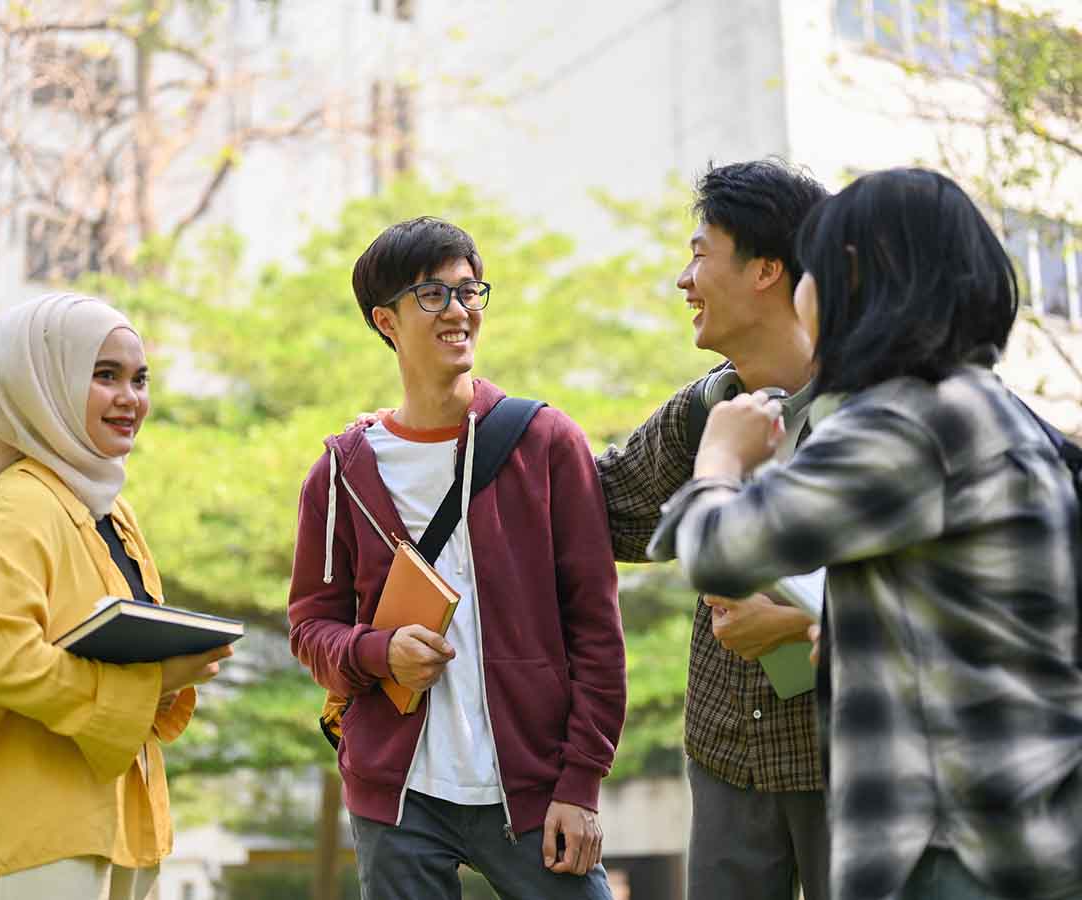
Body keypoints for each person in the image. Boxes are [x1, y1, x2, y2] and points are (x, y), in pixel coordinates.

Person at [663, 168, 1082, 900]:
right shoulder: (990, 412)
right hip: (1022, 829)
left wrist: (722, 455)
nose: (802, 292)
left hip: (954, 845)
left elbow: (716, 547)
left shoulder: (906, 419)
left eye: (814, 272)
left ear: (858, 280)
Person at [288, 217, 625, 900]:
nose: (460, 311)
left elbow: (595, 624)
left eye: (470, 292)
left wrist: (582, 781)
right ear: (386, 320)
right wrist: (381, 652)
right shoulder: (341, 472)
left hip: (533, 790)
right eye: (433, 295)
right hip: (397, 796)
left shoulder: (546, 442)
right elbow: (309, 629)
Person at [0, 293, 232, 899]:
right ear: (41, 382)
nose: (129, 399)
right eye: (103, 375)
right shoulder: (18, 504)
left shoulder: (109, 508)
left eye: (139, 379)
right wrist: (153, 681)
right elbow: (0, 657)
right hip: (36, 839)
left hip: (117, 826)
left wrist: (175, 665)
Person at [595, 159, 831, 900]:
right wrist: (451, 418)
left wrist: (798, 622)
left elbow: (945, 587)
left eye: (700, 253)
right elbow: (602, 507)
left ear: (766, 269)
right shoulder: (705, 409)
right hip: (731, 752)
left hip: (853, 755)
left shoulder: (879, 414)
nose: (683, 278)